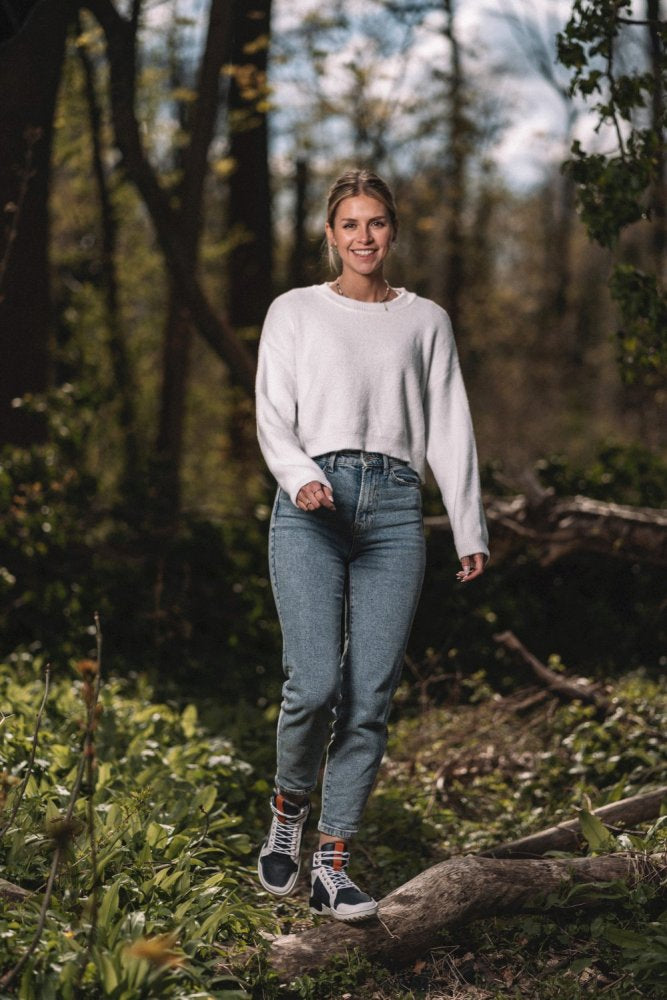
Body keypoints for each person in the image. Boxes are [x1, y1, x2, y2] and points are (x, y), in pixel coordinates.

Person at [254, 168, 489, 922]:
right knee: (315, 684)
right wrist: (297, 478)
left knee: (369, 697)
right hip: (312, 505)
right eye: (349, 224)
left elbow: (450, 424)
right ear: (329, 234)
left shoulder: (426, 320)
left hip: (394, 509)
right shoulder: (294, 311)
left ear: (392, 231)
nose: (363, 237)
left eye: (377, 223)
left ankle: (332, 862)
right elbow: (271, 413)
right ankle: (288, 808)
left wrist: (467, 524)